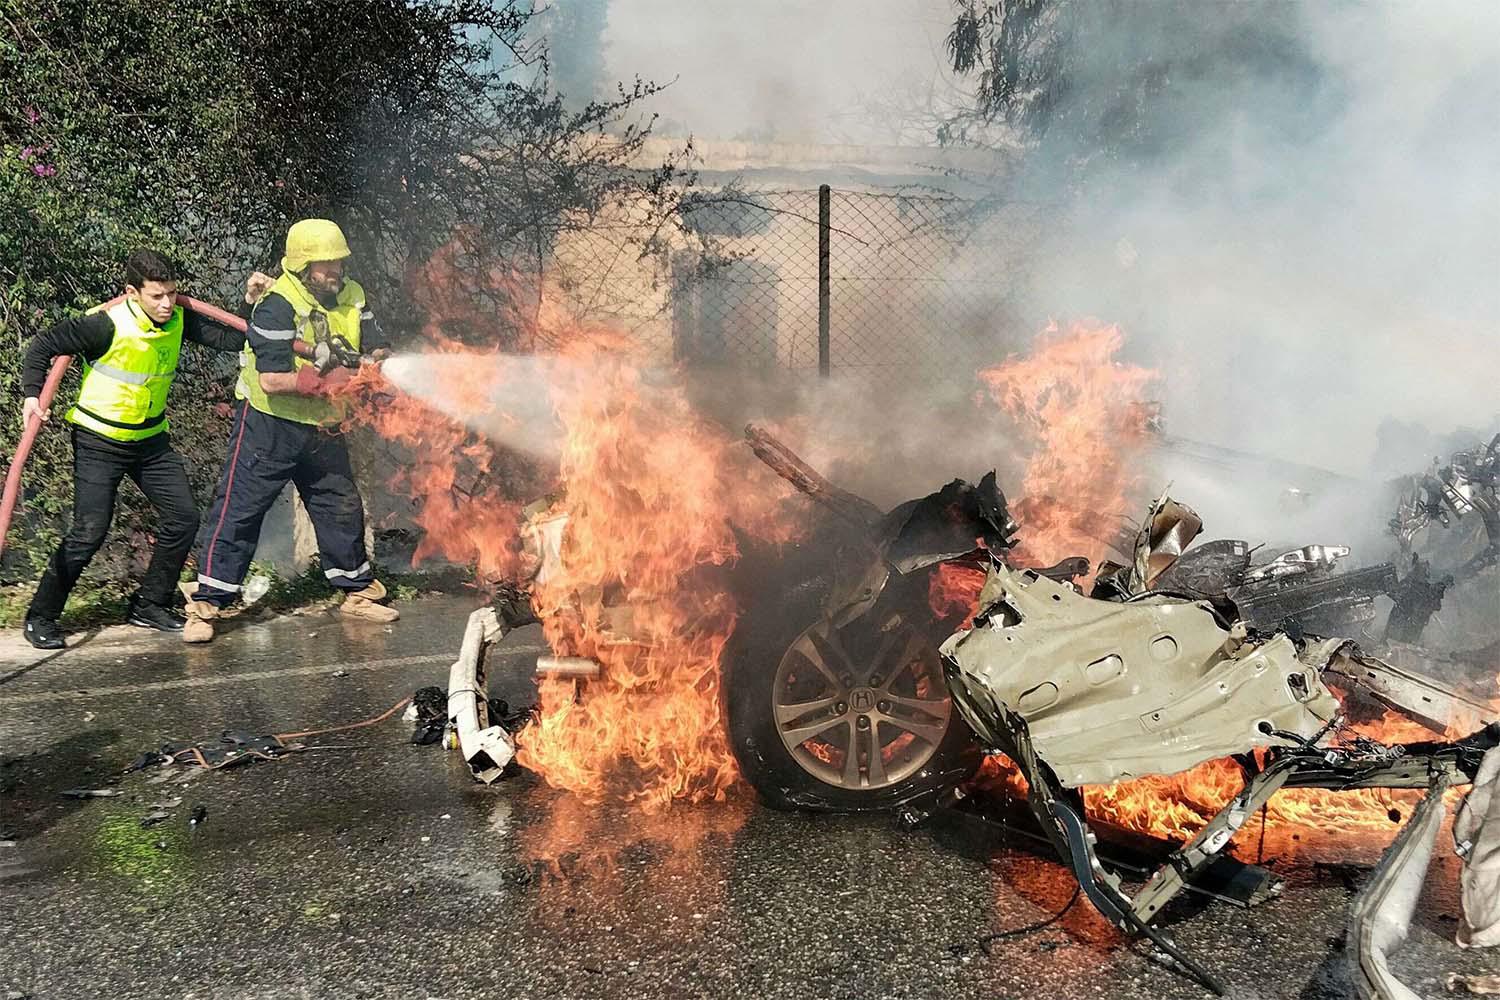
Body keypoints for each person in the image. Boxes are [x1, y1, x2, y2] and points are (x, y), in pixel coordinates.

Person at [19, 249, 249, 649]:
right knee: (90, 530)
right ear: (131, 292)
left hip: (150, 441)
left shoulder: (178, 317)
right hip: (98, 441)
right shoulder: (105, 325)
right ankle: (41, 616)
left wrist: (248, 303)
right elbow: (44, 344)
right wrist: (31, 396)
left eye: (172, 294)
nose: (166, 304)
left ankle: (150, 604)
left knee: (184, 519)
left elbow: (232, 338)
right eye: (156, 296)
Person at [184, 218, 398, 643]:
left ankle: (356, 591)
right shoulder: (277, 304)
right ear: (303, 265)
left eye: (338, 262)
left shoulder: (353, 295)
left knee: (340, 507)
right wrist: (323, 383)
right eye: (325, 265)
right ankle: (206, 604)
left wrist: (377, 363)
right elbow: (271, 379)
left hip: (324, 425)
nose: (335, 271)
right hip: (270, 423)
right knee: (241, 509)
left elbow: (375, 342)